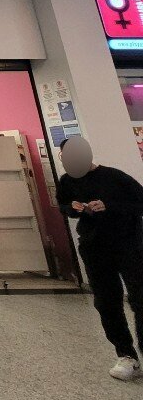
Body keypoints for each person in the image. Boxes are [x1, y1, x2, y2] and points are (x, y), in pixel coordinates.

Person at [55, 136, 143, 381]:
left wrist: (109, 205)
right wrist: (73, 208)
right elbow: (63, 206)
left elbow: (140, 202)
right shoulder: (66, 181)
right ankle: (126, 355)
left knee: (140, 298)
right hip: (94, 247)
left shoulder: (115, 177)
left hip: (129, 245)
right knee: (106, 302)